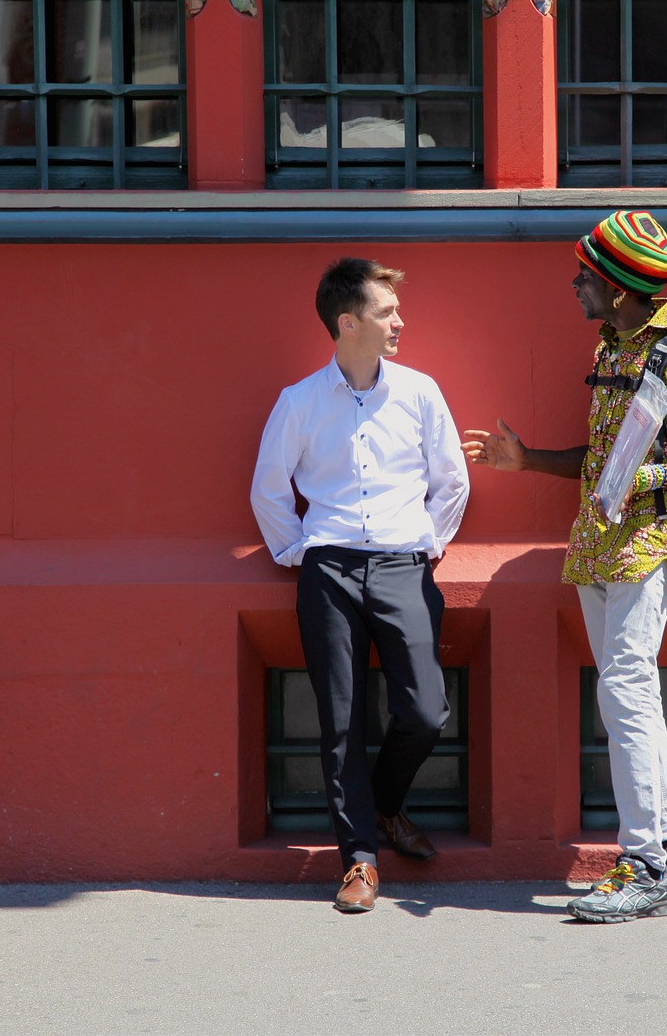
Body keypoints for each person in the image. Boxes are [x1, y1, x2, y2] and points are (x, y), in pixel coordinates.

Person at [462, 210, 667, 923]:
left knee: (623, 686)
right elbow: (603, 461)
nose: (574, 284)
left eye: (585, 274)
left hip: (649, 541)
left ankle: (643, 863)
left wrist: (648, 480)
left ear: (618, 287)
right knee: (629, 692)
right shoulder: (613, 348)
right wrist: (527, 462)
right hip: (596, 544)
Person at [250, 257, 469, 914]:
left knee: (425, 709)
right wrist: (299, 552)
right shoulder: (299, 402)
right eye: (386, 312)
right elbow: (268, 488)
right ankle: (362, 861)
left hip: (405, 562)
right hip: (330, 568)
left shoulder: (421, 392)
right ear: (348, 323)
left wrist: (426, 543)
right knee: (340, 721)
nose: (399, 322)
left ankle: (385, 804)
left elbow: (451, 478)